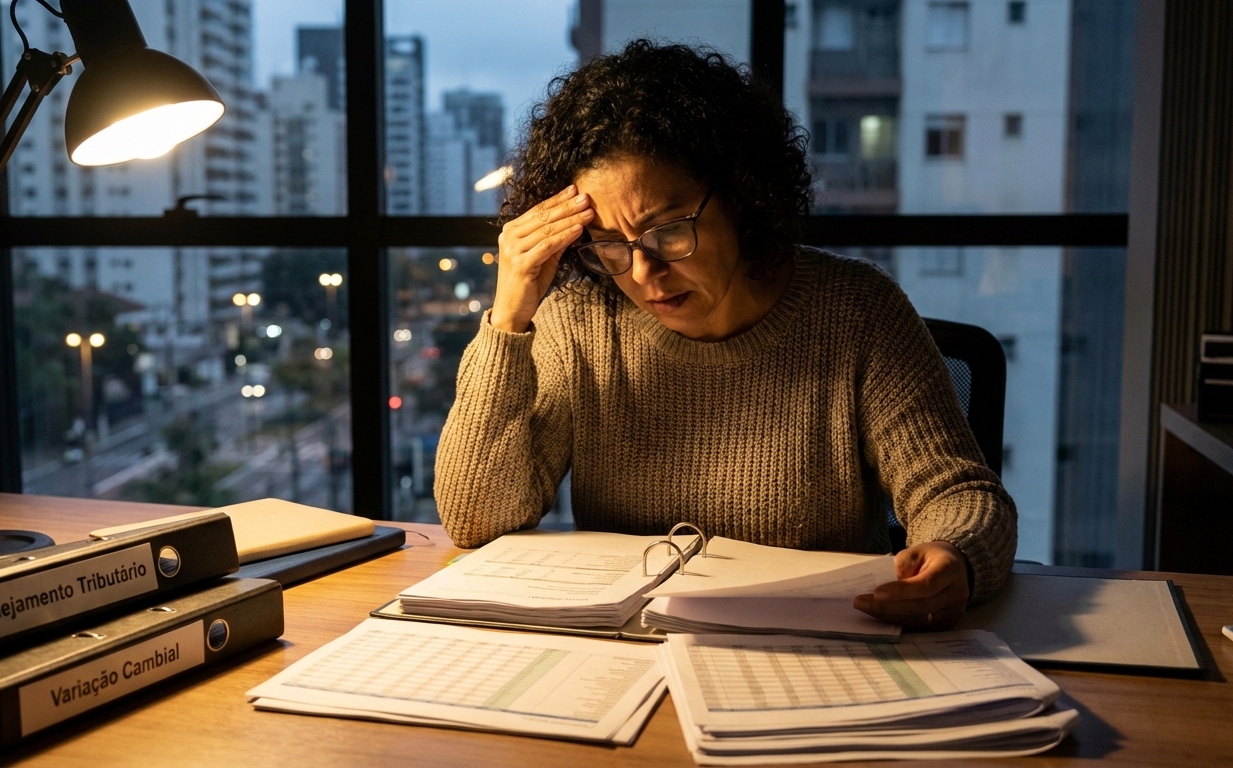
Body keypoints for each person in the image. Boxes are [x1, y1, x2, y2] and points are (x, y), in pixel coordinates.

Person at [433, 40, 1016, 629]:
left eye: (667, 231)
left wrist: (956, 556)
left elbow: (959, 493)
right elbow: (477, 519)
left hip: (814, 648)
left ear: (742, 195)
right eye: (609, 243)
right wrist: (509, 319)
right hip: (630, 652)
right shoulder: (582, 321)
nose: (643, 272)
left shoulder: (857, 311)